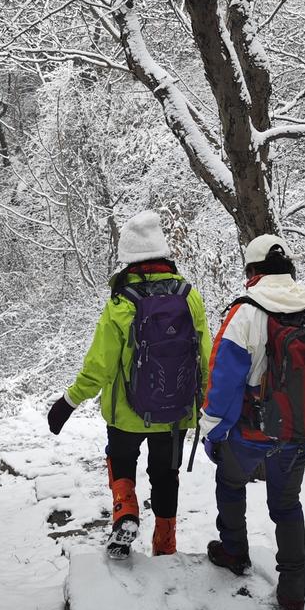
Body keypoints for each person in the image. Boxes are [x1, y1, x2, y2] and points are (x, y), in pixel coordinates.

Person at [47, 211, 211, 559]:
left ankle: (126, 512)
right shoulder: (189, 297)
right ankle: (165, 545)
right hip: (177, 412)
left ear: (128, 256)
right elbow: (206, 356)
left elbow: (100, 365)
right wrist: (208, 404)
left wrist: (70, 401)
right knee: (166, 475)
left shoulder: (122, 303)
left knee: (121, 460)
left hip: (126, 413)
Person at [202, 233, 305, 610]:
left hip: (252, 433)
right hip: (299, 432)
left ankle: (234, 551)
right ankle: (294, 596)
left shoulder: (245, 314)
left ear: (252, 270)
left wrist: (212, 431)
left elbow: (223, 382)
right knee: (286, 505)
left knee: (230, 481)